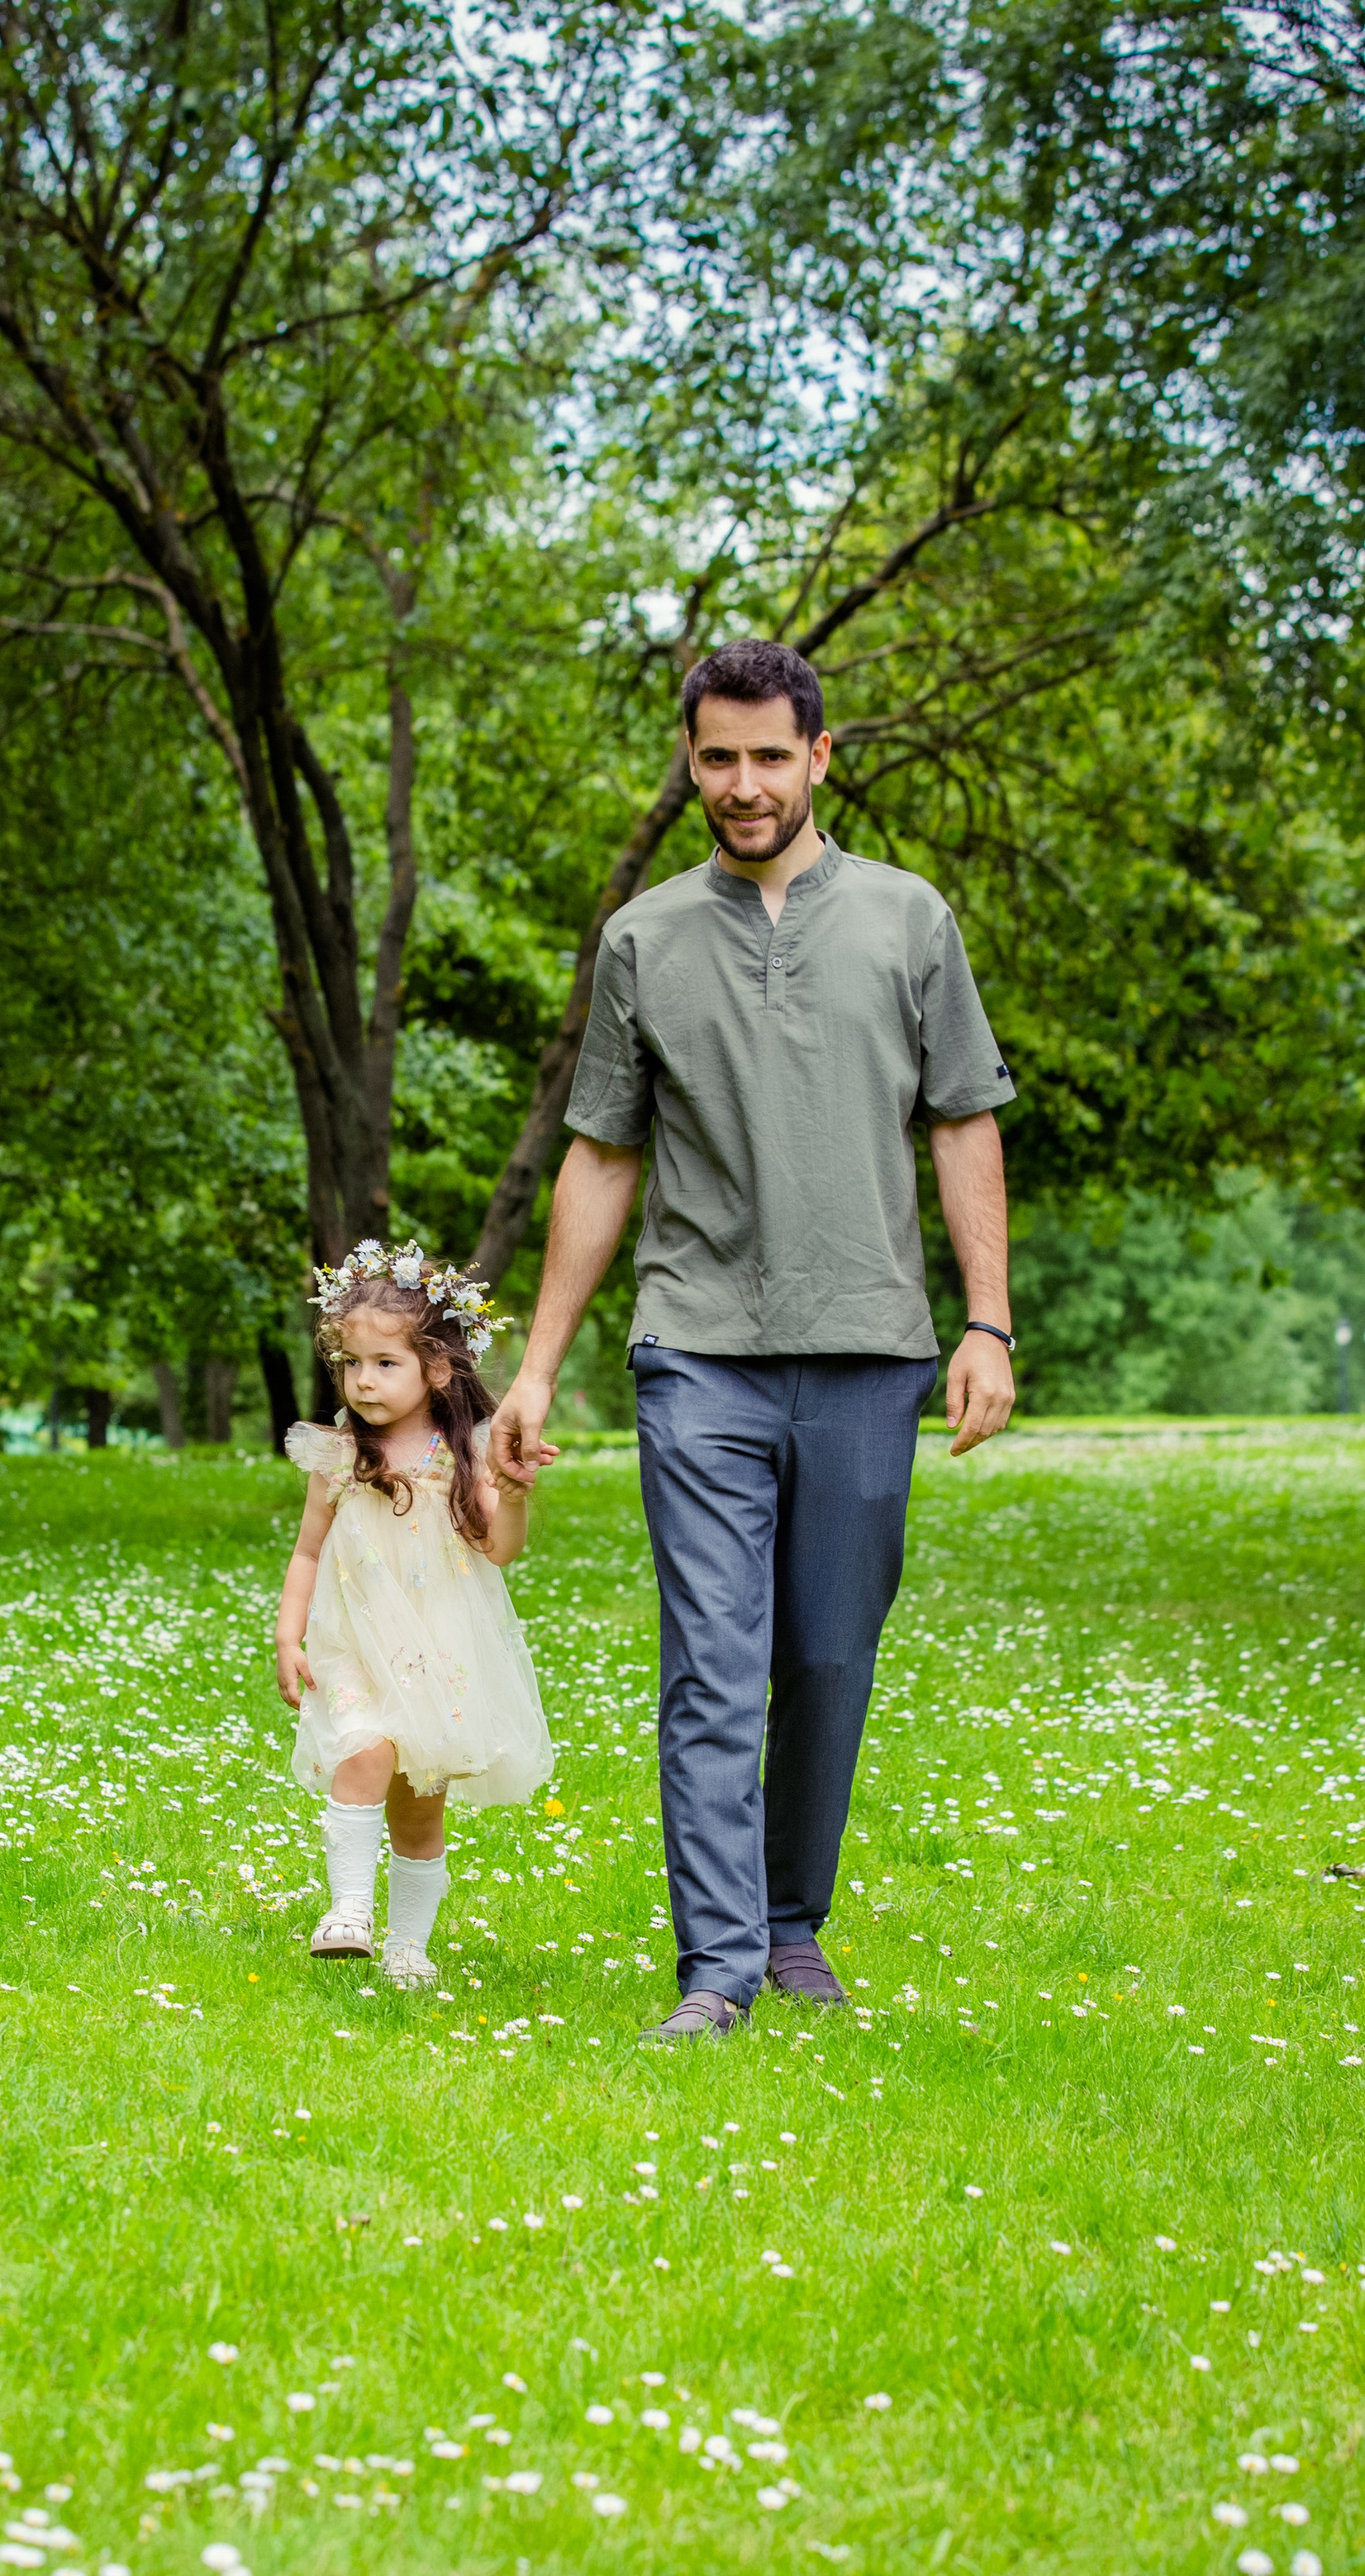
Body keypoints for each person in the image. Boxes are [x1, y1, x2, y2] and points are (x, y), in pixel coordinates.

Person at [490, 636, 1016, 2042]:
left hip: (872, 1350)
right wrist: (537, 1363)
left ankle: (793, 1929)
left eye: (769, 756)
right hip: (699, 1350)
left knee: (828, 1660)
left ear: (820, 757)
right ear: (691, 758)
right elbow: (601, 1156)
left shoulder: (909, 922)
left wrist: (987, 1321)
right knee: (712, 1664)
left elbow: (965, 1120)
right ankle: (716, 1968)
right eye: (716, 756)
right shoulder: (645, 940)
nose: (742, 783)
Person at [276, 1242, 554, 1988]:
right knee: (362, 1753)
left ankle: (408, 1948)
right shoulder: (339, 1452)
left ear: (436, 1368)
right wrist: (288, 1631)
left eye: (384, 1363)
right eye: (351, 1364)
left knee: (419, 1811)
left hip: (435, 1658)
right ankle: (347, 1912)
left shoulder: (463, 1450)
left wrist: (517, 1495)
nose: (363, 1380)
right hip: (352, 1650)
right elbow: (307, 1553)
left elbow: (499, 1550)